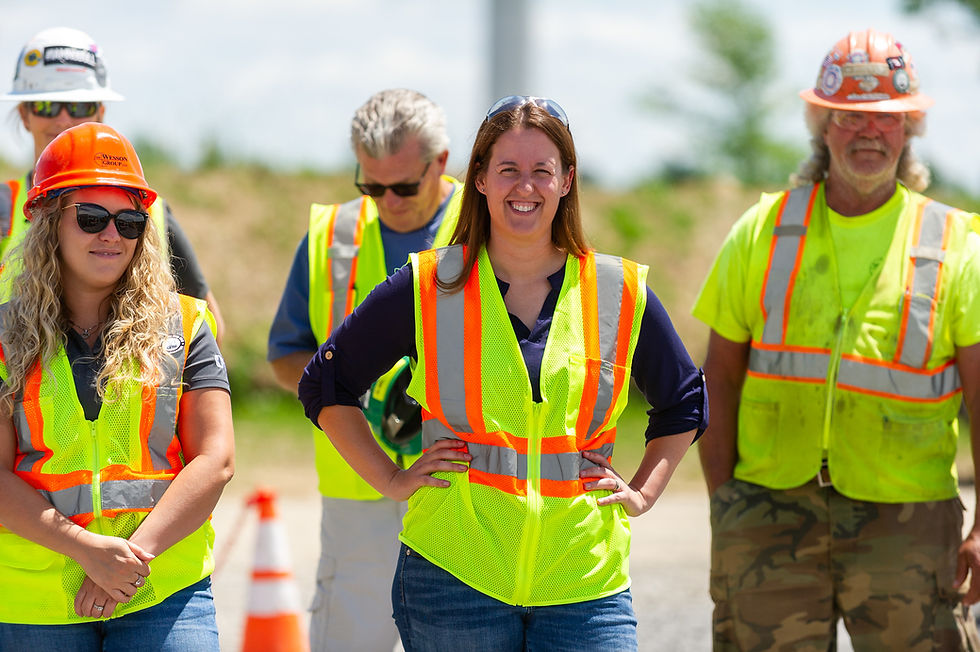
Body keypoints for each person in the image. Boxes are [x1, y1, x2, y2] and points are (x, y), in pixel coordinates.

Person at [297, 95, 707, 651]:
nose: (525, 186)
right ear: (481, 181)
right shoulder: (427, 286)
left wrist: (642, 493)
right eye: (508, 169)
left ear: (566, 180)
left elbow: (684, 402)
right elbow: (325, 384)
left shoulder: (616, 290)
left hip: (585, 584)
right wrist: (390, 481)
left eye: (543, 170)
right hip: (453, 576)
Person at [692, 28, 980, 650]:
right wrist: (728, 505)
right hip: (769, 516)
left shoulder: (957, 247)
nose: (867, 133)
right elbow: (717, 377)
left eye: (885, 118)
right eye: (848, 117)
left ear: (909, 128)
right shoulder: (762, 231)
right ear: (822, 124)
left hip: (908, 522)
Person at [0, 122, 234, 649]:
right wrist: (87, 550)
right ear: (47, 223)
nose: (111, 234)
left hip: (161, 586)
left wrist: (128, 562)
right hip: (35, 600)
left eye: (129, 222)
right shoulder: (1, 336)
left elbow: (216, 460)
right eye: (90, 218)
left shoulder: (187, 325)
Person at [267, 88, 463, 651]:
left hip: (466, 486)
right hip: (358, 491)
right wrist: (358, 392)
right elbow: (285, 358)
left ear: (440, 164)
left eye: (404, 186)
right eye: (372, 186)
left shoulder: (486, 230)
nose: (389, 200)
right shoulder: (331, 238)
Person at [0, 26, 225, 343]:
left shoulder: (152, 211)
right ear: (24, 114)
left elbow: (206, 327)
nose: (64, 119)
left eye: (80, 106)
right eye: (47, 105)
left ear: (100, 113)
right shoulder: (3, 208)